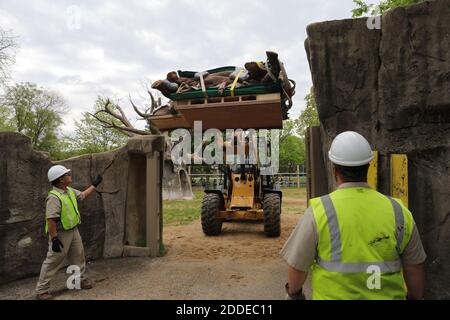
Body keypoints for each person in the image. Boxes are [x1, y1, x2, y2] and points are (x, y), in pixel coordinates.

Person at [281, 131, 426, 300]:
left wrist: (294, 293)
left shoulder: (319, 211)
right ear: (368, 167)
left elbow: (298, 265)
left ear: (334, 169)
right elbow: (415, 268)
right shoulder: (398, 211)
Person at [35, 165, 103, 300]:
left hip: (73, 229)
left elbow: (83, 196)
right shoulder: (54, 197)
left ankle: (76, 281)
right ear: (60, 179)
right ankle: (41, 290)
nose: (70, 174)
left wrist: (94, 185)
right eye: (67, 173)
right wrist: (54, 239)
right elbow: (51, 220)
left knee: (78, 255)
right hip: (60, 234)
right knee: (53, 260)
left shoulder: (69, 191)